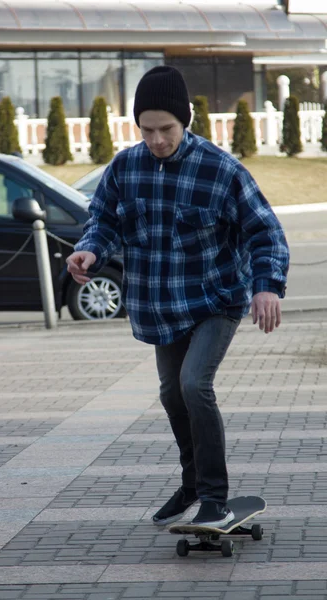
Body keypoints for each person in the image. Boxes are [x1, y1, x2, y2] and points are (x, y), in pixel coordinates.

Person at [66, 66, 289, 528]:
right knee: (172, 395)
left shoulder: (220, 169)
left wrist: (266, 286)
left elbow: (265, 231)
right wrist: (89, 250)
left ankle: (213, 496)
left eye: (166, 129)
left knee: (193, 385)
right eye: (146, 130)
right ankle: (191, 482)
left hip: (215, 300)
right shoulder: (126, 167)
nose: (157, 140)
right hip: (160, 306)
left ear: (184, 120)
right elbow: (103, 219)